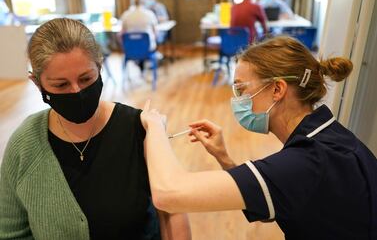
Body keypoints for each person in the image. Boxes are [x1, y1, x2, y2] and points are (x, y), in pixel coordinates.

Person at [140, 36, 377, 239]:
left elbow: (169, 194)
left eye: (241, 89)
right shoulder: (329, 136)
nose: (237, 99)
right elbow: (273, 197)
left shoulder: (306, 162)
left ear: (277, 89)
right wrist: (224, 158)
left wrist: (155, 127)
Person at [0, 18, 191, 240]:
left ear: (99, 68)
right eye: (60, 85)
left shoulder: (139, 129)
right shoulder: (25, 145)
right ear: (37, 83)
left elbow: (173, 213)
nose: (77, 91)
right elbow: (11, 231)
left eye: (86, 78)